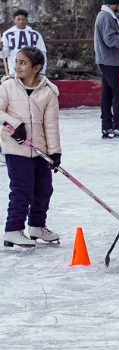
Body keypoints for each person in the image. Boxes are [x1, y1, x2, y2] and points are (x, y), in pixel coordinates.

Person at [0, 46, 61, 248]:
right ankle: (13, 229)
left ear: (37, 67)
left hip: (40, 150)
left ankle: (36, 226)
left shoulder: (48, 92)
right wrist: (14, 126)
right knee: (22, 189)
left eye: (22, 63)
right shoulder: (7, 87)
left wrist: (54, 152)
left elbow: (51, 124)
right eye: (16, 61)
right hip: (16, 148)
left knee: (44, 189)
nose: (17, 66)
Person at [95, 0, 119, 139]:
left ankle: (106, 126)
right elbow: (110, 39)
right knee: (118, 92)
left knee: (107, 93)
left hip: (108, 60)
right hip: (110, 61)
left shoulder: (108, 15)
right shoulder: (106, 16)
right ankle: (117, 126)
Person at [1, 10, 47, 78]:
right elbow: (3, 55)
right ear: (14, 20)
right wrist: (1, 49)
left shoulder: (35, 35)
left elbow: (42, 53)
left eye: (23, 19)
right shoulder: (7, 35)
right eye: (18, 19)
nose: (21, 22)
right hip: (14, 71)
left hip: (31, 71)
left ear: (27, 20)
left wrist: (42, 71)